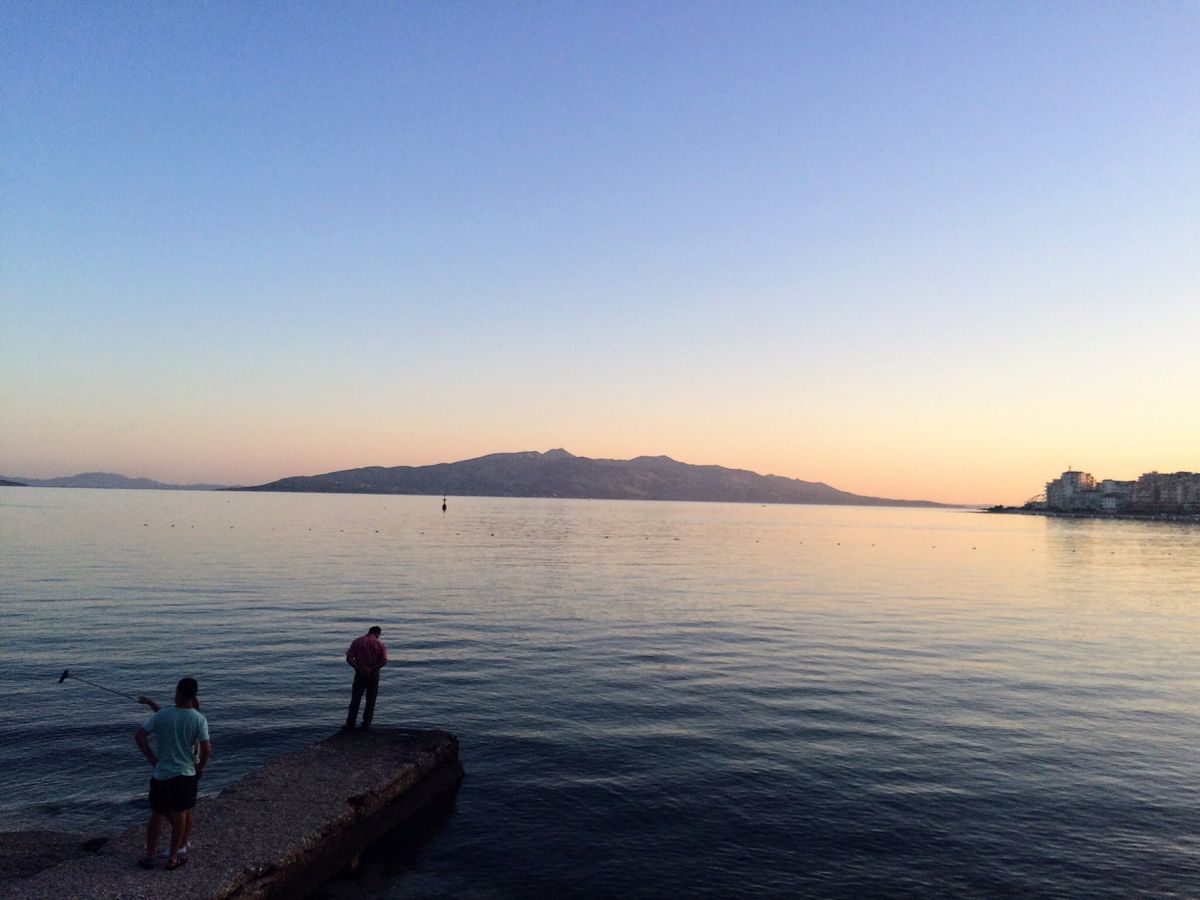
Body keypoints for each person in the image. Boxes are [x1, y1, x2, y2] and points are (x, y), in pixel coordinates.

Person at [134, 677, 211, 870]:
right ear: (194, 697)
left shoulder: (163, 715)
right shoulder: (199, 719)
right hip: (186, 774)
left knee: (157, 814)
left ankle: (149, 856)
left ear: (177, 692)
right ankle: (174, 857)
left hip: (162, 774)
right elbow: (207, 749)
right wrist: (200, 769)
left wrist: (151, 758)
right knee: (181, 815)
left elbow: (140, 736)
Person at [344, 626, 388, 731]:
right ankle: (366, 723)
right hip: (373, 674)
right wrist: (371, 668)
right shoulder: (380, 644)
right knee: (371, 699)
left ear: (368, 632)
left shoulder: (357, 642)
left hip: (359, 673)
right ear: (378, 634)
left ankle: (350, 723)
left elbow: (349, 658)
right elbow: (384, 660)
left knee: (355, 698)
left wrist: (358, 668)